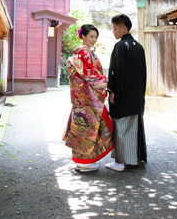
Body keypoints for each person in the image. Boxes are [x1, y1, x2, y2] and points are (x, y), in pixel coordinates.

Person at [63, 24, 113, 172]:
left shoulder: (79, 54)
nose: (94, 39)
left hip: (81, 98)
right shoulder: (85, 53)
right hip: (89, 98)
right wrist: (105, 81)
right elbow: (89, 74)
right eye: (91, 36)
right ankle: (85, 162)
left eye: (96, 37)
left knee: (81, 127)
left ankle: (81, 161)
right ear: (83, 36)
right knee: (92, 128)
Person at [106, 14, 147, 172]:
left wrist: (113, 91)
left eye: (115, 28)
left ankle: (120, 162)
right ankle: (134, 159)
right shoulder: (138, 46)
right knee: (133, 126)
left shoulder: (120, 46)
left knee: (122, 127)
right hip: (136, 96)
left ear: (124, 28)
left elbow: (116, 72)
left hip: (123, 94)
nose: (113, 32)